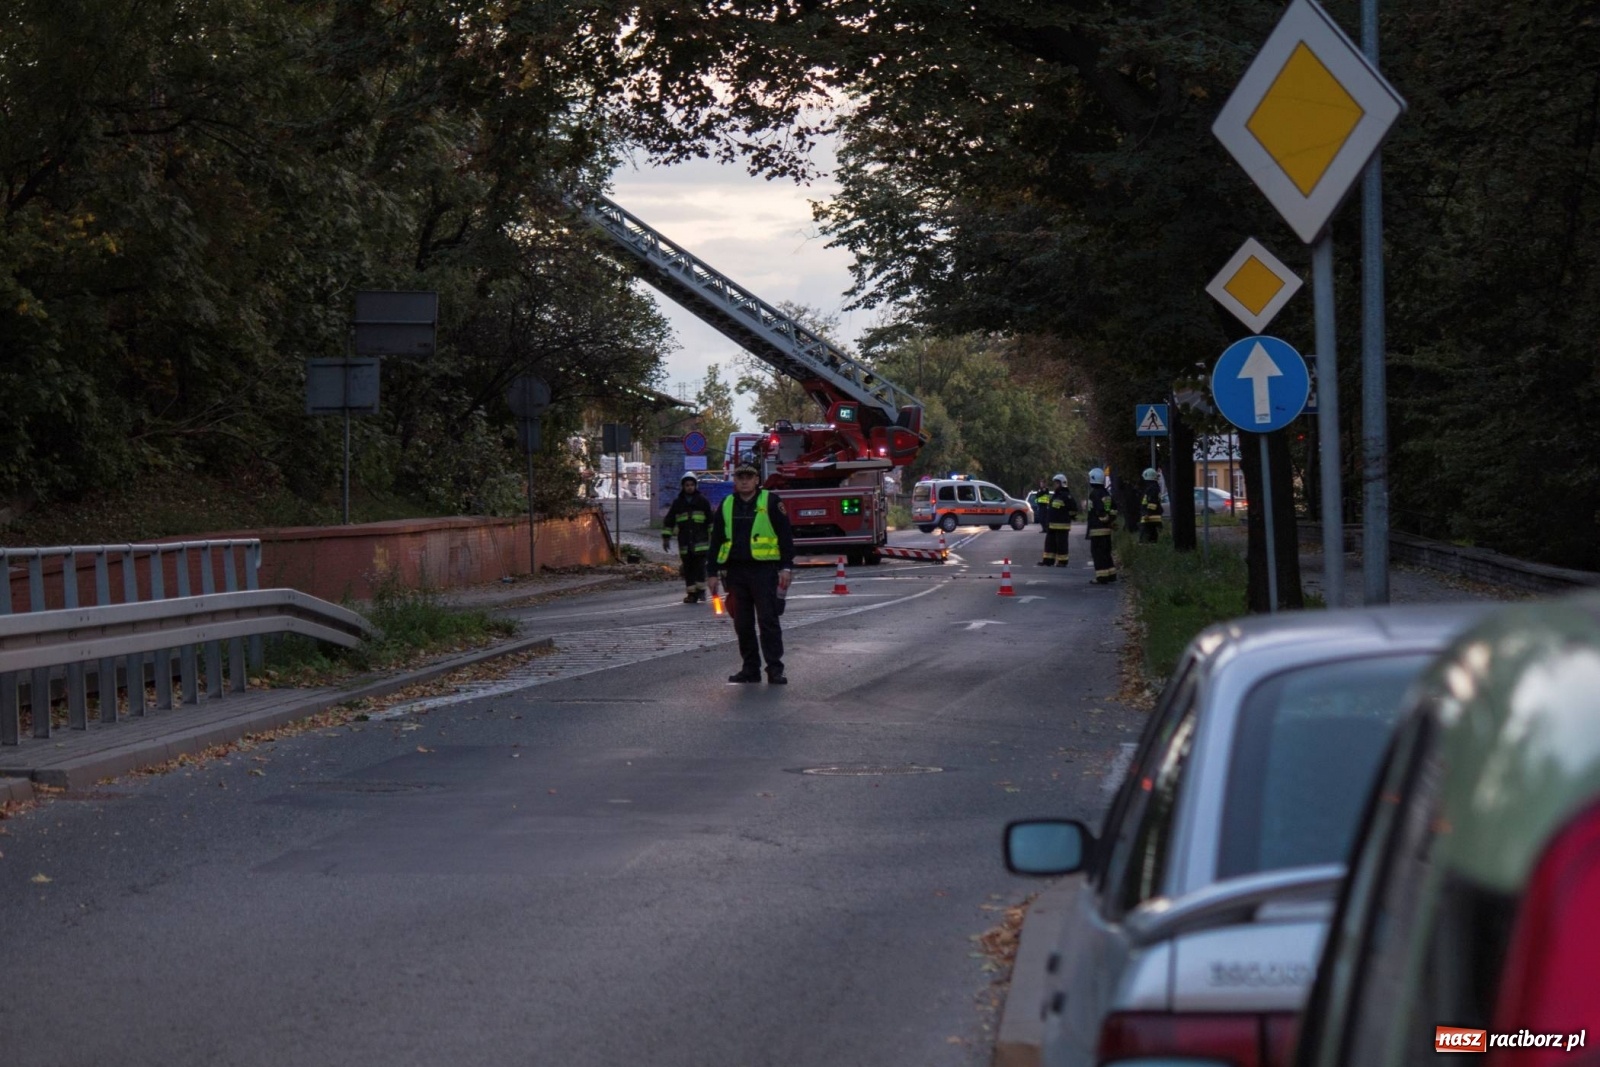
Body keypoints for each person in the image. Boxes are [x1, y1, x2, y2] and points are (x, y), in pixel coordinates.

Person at [706, 455, 796, 684]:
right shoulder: (726, 504)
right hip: (735, 573)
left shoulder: (772, 502)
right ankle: (750, 669)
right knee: (743, 624)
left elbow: (785, 537)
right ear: (734, 480)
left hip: (764, 572)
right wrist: (712, 572)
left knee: (768, 621)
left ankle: (775, 669)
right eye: (740, 477)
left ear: (757, 479)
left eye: (749, 477)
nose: (744, 481)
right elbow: (715, 540)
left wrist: (786, 567)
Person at [661, 473, 713, 603]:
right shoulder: (678, 503)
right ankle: (691, 594)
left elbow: (711, 521)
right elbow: (669, 521)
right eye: (687, 485)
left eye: (692, 485)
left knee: (700, 568)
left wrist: (714, 539)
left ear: (696, 486)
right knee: (688, 569)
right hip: (684, 543)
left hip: (701, 542)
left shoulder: (702, 501)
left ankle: (701, 591)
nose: (689, 487)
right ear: (683, 487)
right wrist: (666, 538)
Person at [1085, 467, 1118, 583]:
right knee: (1106, 552)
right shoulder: (1106, 493)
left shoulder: (1094, 494)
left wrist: (1104, 519)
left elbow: (1099, 511)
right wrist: (1110, 521)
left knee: (1097, 554)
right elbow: (1114, 509)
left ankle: (1101, 577)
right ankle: (1111, 574)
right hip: (1106, 530)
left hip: (1097, 529)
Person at [1037, 473, 1078, 566]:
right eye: (1054, 483)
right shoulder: (1055, 495)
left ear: (1062, 483)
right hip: (1052, 525)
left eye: (1056, 483)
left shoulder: (1067, 496)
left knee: (1061, 544)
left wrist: (1066, 516)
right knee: (1049, 544)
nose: (1055, 485)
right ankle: (1048, 560)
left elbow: (1074, 510)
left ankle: (1062, 561)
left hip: (1062, 526)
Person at [1138, 467, 1164, 544]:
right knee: (1152, 537)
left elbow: (1152, 503)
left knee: (1145, 538)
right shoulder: (1155, 487)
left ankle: (1145, 553)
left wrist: (1147, 513)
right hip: (1153, 516)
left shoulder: (1152, 488)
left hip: (1149, 517)